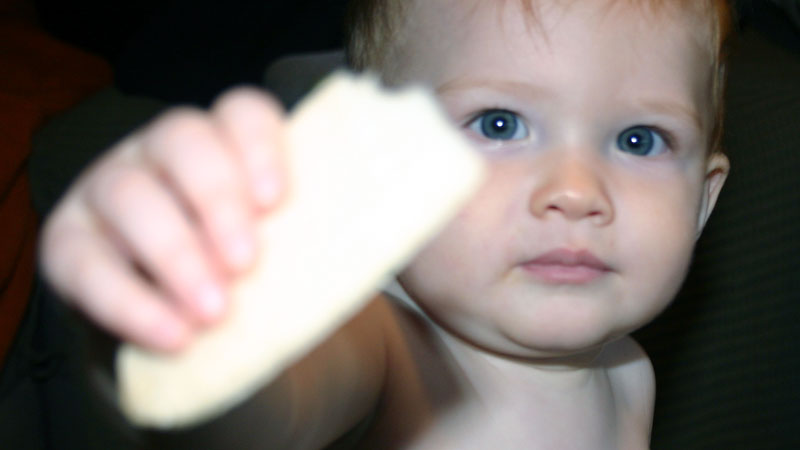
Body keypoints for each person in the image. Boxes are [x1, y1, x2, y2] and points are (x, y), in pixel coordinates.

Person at [40, 0, 732, 447]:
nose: (577, 192)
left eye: (640, 140)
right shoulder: (396, 349)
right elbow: (266, 411)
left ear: (702, 203)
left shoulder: (626, 373)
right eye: (499, 123)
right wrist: (186, 323)